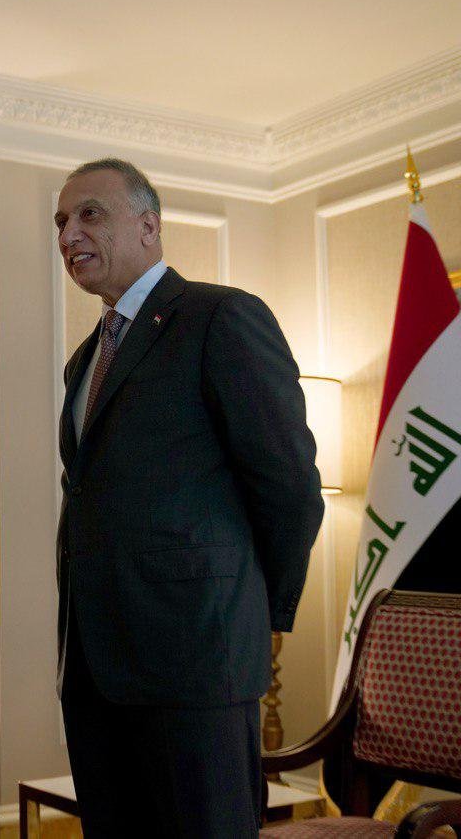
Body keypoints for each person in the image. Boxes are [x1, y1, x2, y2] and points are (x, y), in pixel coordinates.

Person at [53, 159, 323, 837]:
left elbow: (290, 485)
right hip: (95, 664)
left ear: (149, 226)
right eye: (61, 221)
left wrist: (255, 610)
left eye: (89, 214)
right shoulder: (85, 358)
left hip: (197, 659)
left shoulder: (221, 317)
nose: (68, 234)